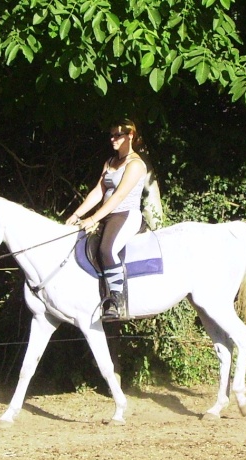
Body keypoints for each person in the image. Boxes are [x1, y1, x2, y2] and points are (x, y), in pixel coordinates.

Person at [66, 119, 148, 320]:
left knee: (107, 249)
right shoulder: (110, 162)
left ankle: (116, 300)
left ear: (130, 136)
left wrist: (93, 218)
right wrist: (77, 215)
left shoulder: (136, 164)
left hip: (126, 214)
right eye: (111, 135)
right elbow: (98, 191)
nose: (113, 139)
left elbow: (119, 195)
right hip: (108, 215)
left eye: (117, 135)